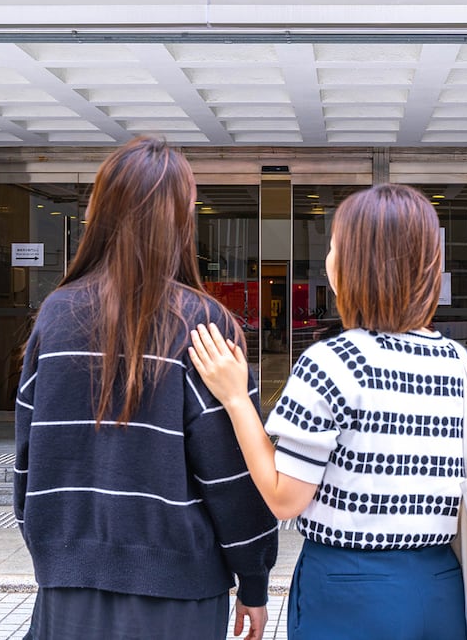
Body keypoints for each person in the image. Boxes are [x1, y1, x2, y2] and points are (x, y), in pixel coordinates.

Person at [14, 136, 277, 640]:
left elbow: (28, 456)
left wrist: (59, 551)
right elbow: (231, 473)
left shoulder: (55, 315)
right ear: (179, 219)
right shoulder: (202, 323)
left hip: (67, 584)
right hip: (179, 591)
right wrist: (253, 579)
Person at [189, 183, 467, 640]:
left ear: (354, 266)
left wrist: (237, 399)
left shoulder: (335, 362)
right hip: (442, 582)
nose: (328, 258)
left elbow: (284, 499)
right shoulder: (461, 366)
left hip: (349, 587)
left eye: (333, 247)